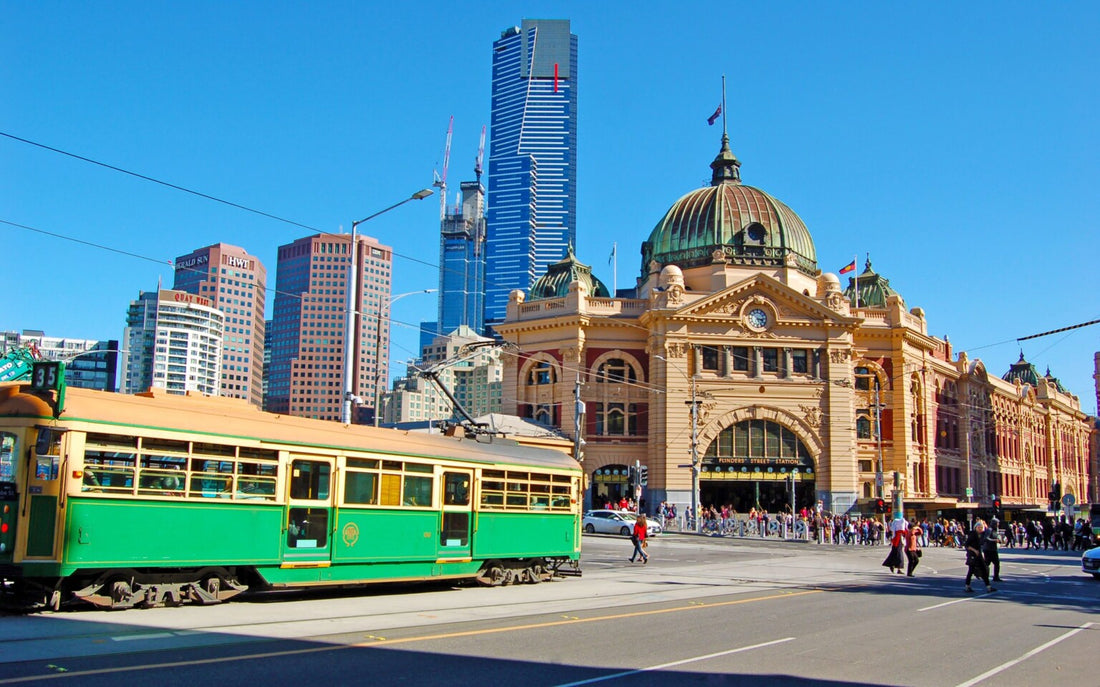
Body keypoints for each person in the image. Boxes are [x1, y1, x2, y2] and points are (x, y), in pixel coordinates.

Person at [964, 520, 996, 593]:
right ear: (975, 527)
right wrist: (974, 550)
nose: (980, 529)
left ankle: (988, 587)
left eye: (981, 527)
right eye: (979, 527)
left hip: (979, 555)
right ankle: (967, 586)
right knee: (971, 571)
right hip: (972, 555)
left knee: (984, 570)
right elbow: (967, 545)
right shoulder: (972, 534)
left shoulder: (981, 535)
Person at [983, 517, 1002, 582]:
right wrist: (994, 540)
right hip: (988, 549)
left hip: (993, 549)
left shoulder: (996, 530)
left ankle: (996, 577)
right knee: (987, 563)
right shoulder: (989, 530)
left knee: (997, 563)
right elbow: (986, 538)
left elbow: (998, 536)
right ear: (994, 523)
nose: (998, 524)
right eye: (997, 523)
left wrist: (999, 540)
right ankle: (985, 576)